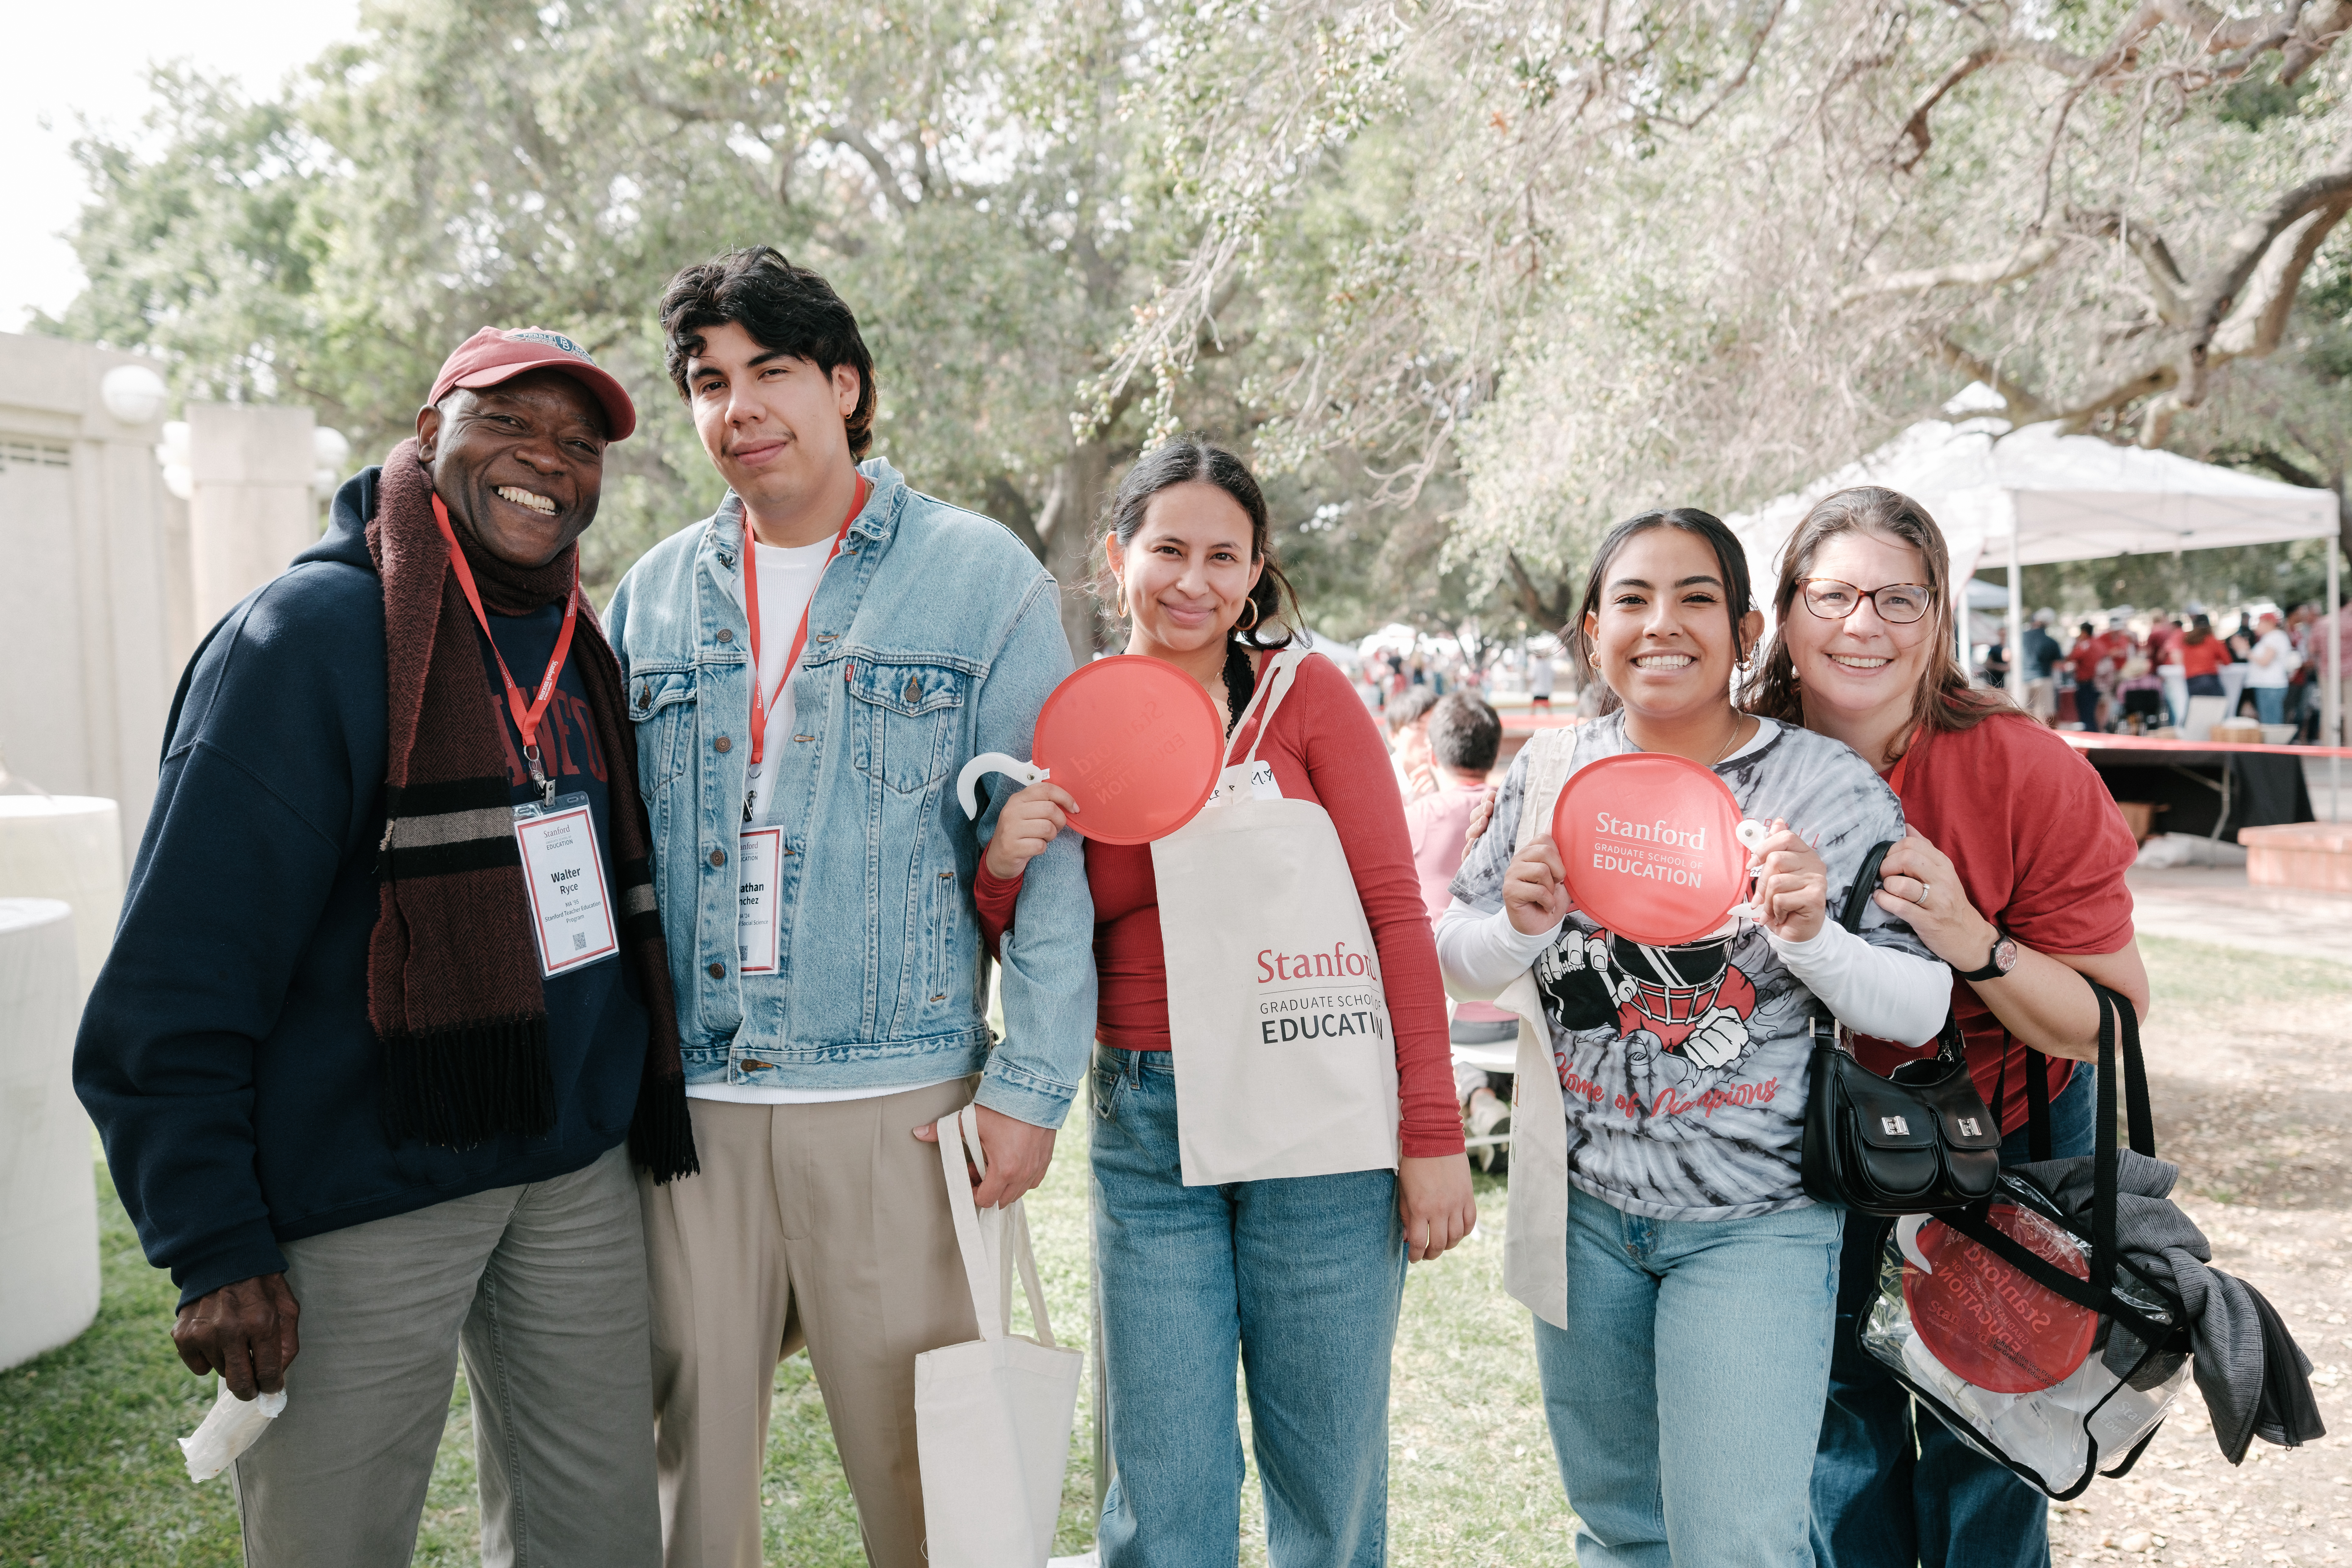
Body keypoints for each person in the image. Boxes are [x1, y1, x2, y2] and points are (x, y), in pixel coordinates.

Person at [75, 327, 676, 1565]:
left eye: (578, 443)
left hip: (569, 1174)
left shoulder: (578, 649)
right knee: (331, 1543)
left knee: (600, 1533)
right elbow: (180, 966)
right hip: (366, 1179)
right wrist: (214, 1242)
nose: (546, 462)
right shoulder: (307, 638)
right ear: (429, 433)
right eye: (509, 423)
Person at [602, 247, 1097, 1568]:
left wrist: (1033, 1085)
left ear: (846, 385)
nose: (738, 406)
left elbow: (1047, 842)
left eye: (769, 371)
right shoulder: (648, 596)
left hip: (898, 1106)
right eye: (709, 381)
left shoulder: (977, 576)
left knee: (930, 1490)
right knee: (684, 1493)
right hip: (692, 1108)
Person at [974, 436, 1476, 1568]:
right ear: (1118, 560)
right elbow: (1041, 932)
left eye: (1223, 556)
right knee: (1163, 1488)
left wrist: (1431, 1130)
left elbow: (1397, 911)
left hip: (1323, 1118)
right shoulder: (1076, 716)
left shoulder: (1306, 699)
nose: (1191, 581)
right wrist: (1001, 865)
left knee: (1325, 1477)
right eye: (1166, 551)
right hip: (1151, 1125)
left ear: (1257, 571)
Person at [1435, 508, 1947, 1567]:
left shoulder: (1824, 786)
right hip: (1582, 1220)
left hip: (1754, 1227)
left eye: (1694, 598)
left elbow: (1919, 1003)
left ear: (1746, 627)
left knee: (1737, 1547)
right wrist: (1516, 927)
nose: (1660, 623)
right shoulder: (1548, 773)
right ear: (1590, 633)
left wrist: (1807, 936)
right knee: (1621, 1535)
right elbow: (1452, 957)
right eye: (1630, 599)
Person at [1741, 484, 2151, 1568]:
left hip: (2000, 1138)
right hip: (1800, 1150)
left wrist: (1973, 937)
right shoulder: (1729, 758)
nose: (1860, 626)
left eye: (1897, 599)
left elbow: (2105, 1020)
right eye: (1830, 596)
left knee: (1989, 1435)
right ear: (1784, 613)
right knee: (1837, 1438)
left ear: (1939, 621)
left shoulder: (2024, 769)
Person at [1404, 691, 1515, 1166]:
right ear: (1495, 753)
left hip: (1449, 1022)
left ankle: (1479, 1100)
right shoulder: (1516, 817)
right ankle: (1485, 1101)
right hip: (1520, 1017)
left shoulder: (1415, 819)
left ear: (1432, 756)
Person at [1385, 682, 1441, 801]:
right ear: (1393, 736)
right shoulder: (1379, 780)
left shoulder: (1446, 779)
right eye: (1418, 728)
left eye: (1434, 729)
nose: (1429, 740)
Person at [2246, 609, 2299, 726]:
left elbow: (2265, 661)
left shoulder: (2274, 637)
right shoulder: (2272, 637)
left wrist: (2246, 652)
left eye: (2260, 623)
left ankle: (2274, 744)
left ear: (2269, 623)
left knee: (2271, 722)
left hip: (2271, 685)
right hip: (2268, 685)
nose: (2257, 627)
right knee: (2269, 719)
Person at [2021, 608, 2063, 725]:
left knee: (2022, 714)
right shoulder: (2051, 642)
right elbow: (2057, 665)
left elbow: (2007, 657)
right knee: (2042, 717)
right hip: (2043, 679)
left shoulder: (2020, 638)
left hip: (2022, 679)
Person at [2181, 612, 2230, 700]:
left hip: (2191, 680)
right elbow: (2227, 661)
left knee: (2199, 710)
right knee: (2218, 708)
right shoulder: (2212, 640)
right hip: (2209, 678)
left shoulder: (2187, 642)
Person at [1528, 645, 1556, 711]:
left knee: (1533, 709)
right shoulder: (1549, 665)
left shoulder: (1535, 666)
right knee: (1548, 709)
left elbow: (1531, 678)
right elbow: (1554, 677)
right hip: (1547, 690)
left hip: (1537, 691)